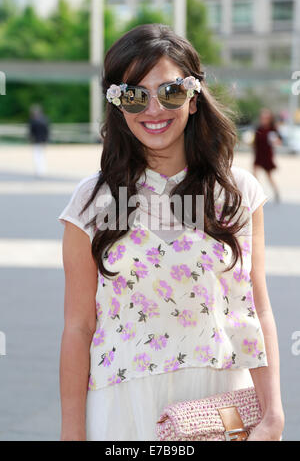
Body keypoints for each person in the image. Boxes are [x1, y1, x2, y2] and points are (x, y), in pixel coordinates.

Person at [58, 24, 284, 441]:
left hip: (220, 403)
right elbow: (78, 326)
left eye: (170, 92)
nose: (154, 109)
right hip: (121, 404)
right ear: (117, 105)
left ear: (194, 98)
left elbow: (255, 307)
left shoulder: (236, 194)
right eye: (134, 95)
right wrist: (72, 432)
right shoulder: (92, 202)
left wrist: (273, 413)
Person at [252, 108, 282, 202]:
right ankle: (256, 193)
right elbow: (255, 141)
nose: (264, 119)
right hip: (259, 154)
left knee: (269, 176)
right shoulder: (259, 128)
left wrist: (276, 141)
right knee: (254, 174)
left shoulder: (273, 129)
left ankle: (276, 191)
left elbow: (280, 141)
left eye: (266, 118)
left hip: (267, 155)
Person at [28, 104, 49, 177]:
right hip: (37, 141)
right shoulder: (43, 120)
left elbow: (46, 131)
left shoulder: (36, 121)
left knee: (39, 156)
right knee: (38, 156)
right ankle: (39, 170)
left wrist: (45, 140)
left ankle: (40, 171)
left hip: (39, 140)